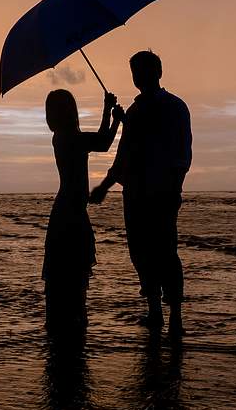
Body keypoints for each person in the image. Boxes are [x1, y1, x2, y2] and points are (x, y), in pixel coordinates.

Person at [90, 51, 192, 333]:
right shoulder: (139, 112)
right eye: (135, 72)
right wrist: (123, 122)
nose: (138, 77)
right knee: (143, 253)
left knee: (163, 253)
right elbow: (126, 155)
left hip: (158, 194)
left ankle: (174, 316)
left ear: (158, 72)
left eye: (142, 71)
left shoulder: (172, 108)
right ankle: (158, 312)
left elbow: (180, 154)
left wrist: (173, 185)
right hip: (140, 195)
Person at [43, 88, 124, 330]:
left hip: (69, 211)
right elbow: (102, 142)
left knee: (68, 274)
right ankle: (74, 324)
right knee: (73, 274)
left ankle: (68, 325)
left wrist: (112, 117)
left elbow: (102, 142)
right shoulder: (68, 137)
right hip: (70, 213)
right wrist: (109, 112)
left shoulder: (65, 136)